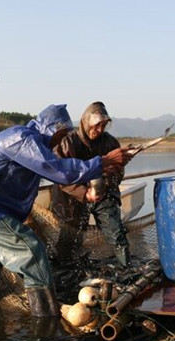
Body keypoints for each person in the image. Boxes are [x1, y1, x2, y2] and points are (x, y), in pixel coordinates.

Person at [0, 104, 132, 317]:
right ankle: (45, 320)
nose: (59, 139)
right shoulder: (23, 139)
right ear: (48, 127)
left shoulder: (33, 144)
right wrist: (103, 161)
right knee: (33, 253)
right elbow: (57, 170)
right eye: (59, 134)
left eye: (64, 135)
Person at [50, 101, 132, 267]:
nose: (100, 130)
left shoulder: (110, 143)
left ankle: (127, 267)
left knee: (117, 234)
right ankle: (63, 270)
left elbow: (119, 172)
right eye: (97, 125)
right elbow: (60, 177)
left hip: (103, 194)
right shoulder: (67, 142)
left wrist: (112, 175)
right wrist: (84, 192)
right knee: (70, 240)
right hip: (72, 198)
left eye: (104, 125)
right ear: (86, 122)